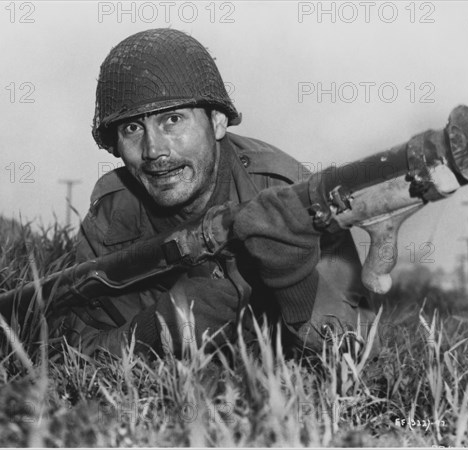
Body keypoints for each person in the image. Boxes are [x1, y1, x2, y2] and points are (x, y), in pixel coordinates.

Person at [53, 28, 378, 359]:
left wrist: (294, 281)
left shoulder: (285, 192)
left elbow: (356, 353)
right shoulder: (113, 213)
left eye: (173, 120)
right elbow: (76, 353)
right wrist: (162, 327)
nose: (153, 150)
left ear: (218, 121)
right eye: (133, 128)